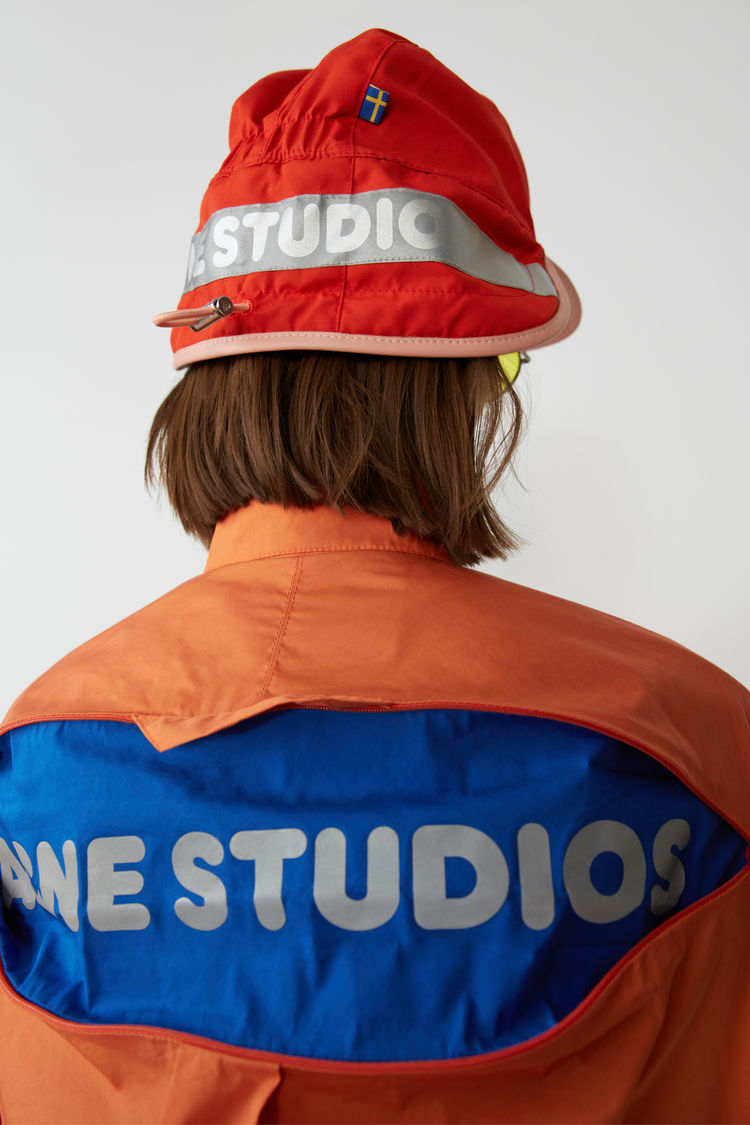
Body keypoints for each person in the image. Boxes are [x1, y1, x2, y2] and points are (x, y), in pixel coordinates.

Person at [0, 26, 748, 1125]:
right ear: (461, 392)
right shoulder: (696, 746)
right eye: (504, 364)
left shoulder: (33, 763)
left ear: (207, 381)